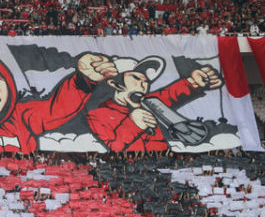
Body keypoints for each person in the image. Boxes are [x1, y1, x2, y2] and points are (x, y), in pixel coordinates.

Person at [87, 56, 222, 151]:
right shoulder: (97, 115)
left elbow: (170, 93)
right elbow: (114, 147)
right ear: (114, 83)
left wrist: (194, 81)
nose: (143, 85)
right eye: (135, 78)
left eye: (146, 81)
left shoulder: (150, 102)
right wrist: (133, 124)